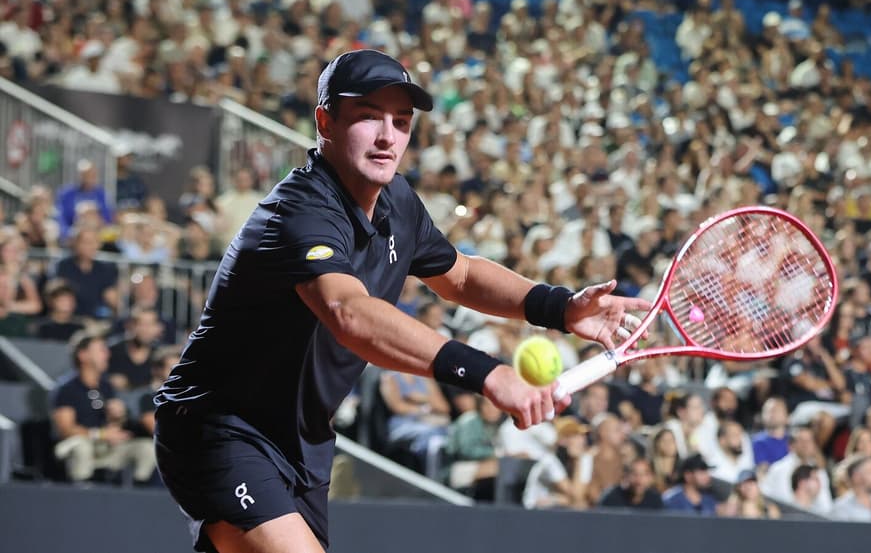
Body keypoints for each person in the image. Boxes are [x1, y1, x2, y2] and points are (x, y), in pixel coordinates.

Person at [153, 49, 649, 553]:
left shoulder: (398, 202)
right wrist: (489, 374)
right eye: (368, 116)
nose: (388, 136)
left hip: (303, 443)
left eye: (402, 121)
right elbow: (349, 313)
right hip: (222, 427)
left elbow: (461, 276)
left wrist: (561, 309)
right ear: (325, 121)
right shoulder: (301, 212)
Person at [51, 332, 156, 484]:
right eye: (101, 350)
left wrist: (117, 417)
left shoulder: (106, 386)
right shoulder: (66, 388)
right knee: (82, 447)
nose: (107, 354)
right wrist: (100, 434)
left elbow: (113, 426)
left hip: (104, 447)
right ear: (83, 355)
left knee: (146, 448)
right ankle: (81, 493)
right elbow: (65, 430)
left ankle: (137, 492)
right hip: (74, 446)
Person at [598, 457, 664, 510]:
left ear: (651, 478)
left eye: (644, 475)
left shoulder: (655, 501)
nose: (639, 480)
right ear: (627, 476)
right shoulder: (613, 499)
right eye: (635, 474)